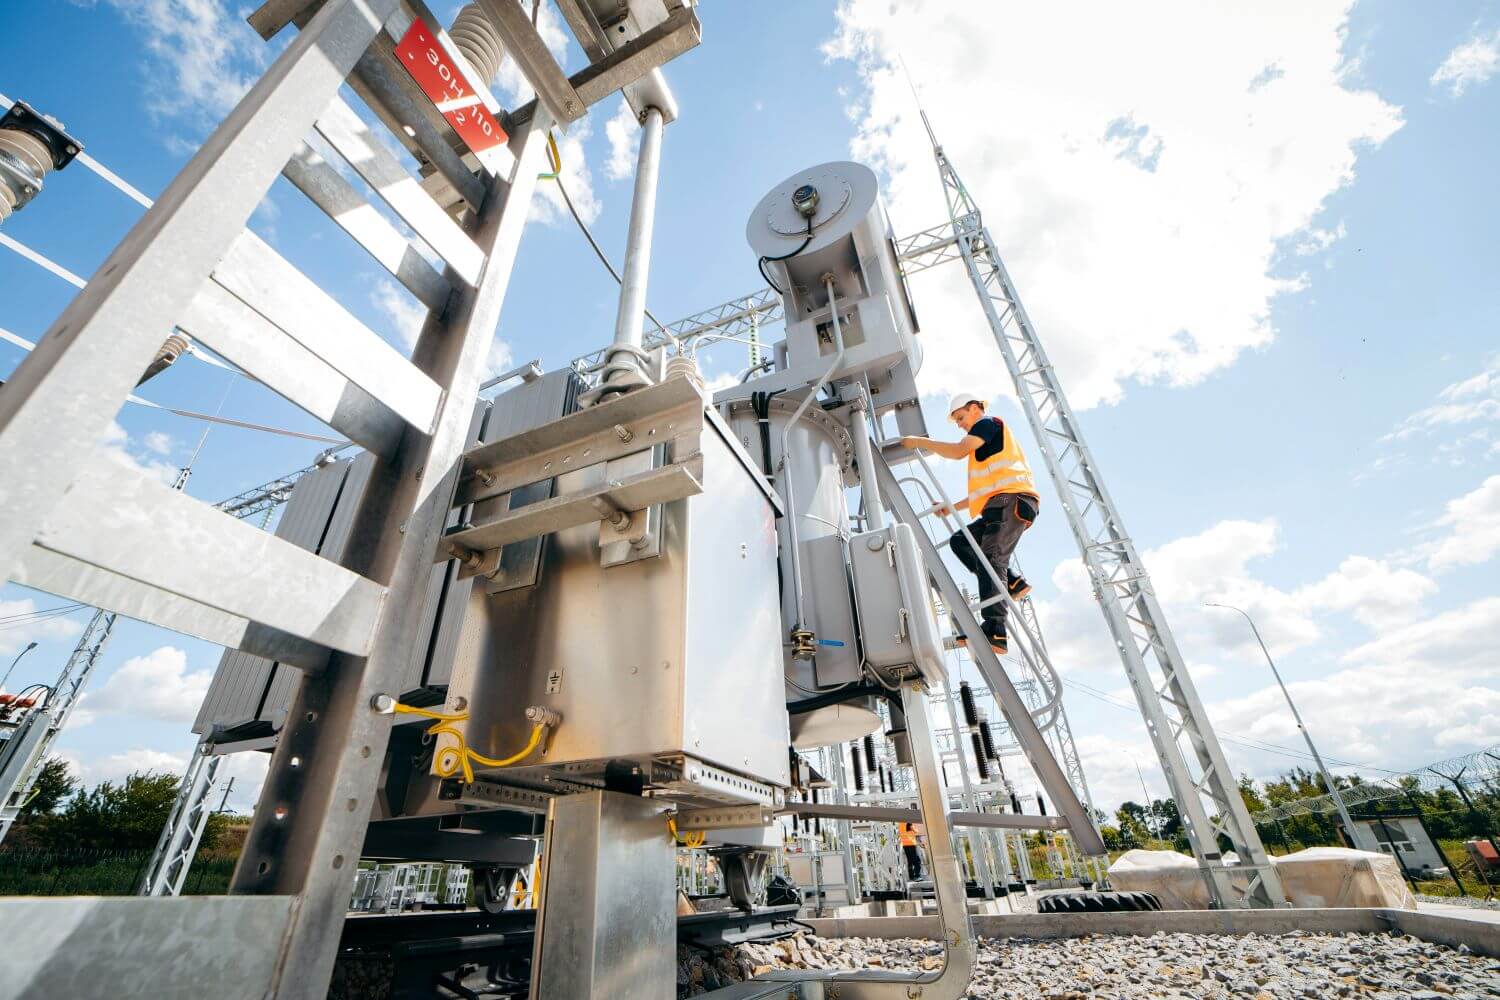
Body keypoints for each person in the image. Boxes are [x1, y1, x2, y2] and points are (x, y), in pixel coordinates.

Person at [899, 392, 1039, 654]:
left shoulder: (988, 424)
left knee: (991, 557)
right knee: (962, 541)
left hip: (1011, 500)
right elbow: (983, 491)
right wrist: (949, 508)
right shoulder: (986, 444)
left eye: (961, 417)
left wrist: (919, 442)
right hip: (1000, 503)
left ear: (975, 408)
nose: (961, 424)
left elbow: (958, 451)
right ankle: (1012, 582)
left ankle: (995, 631)